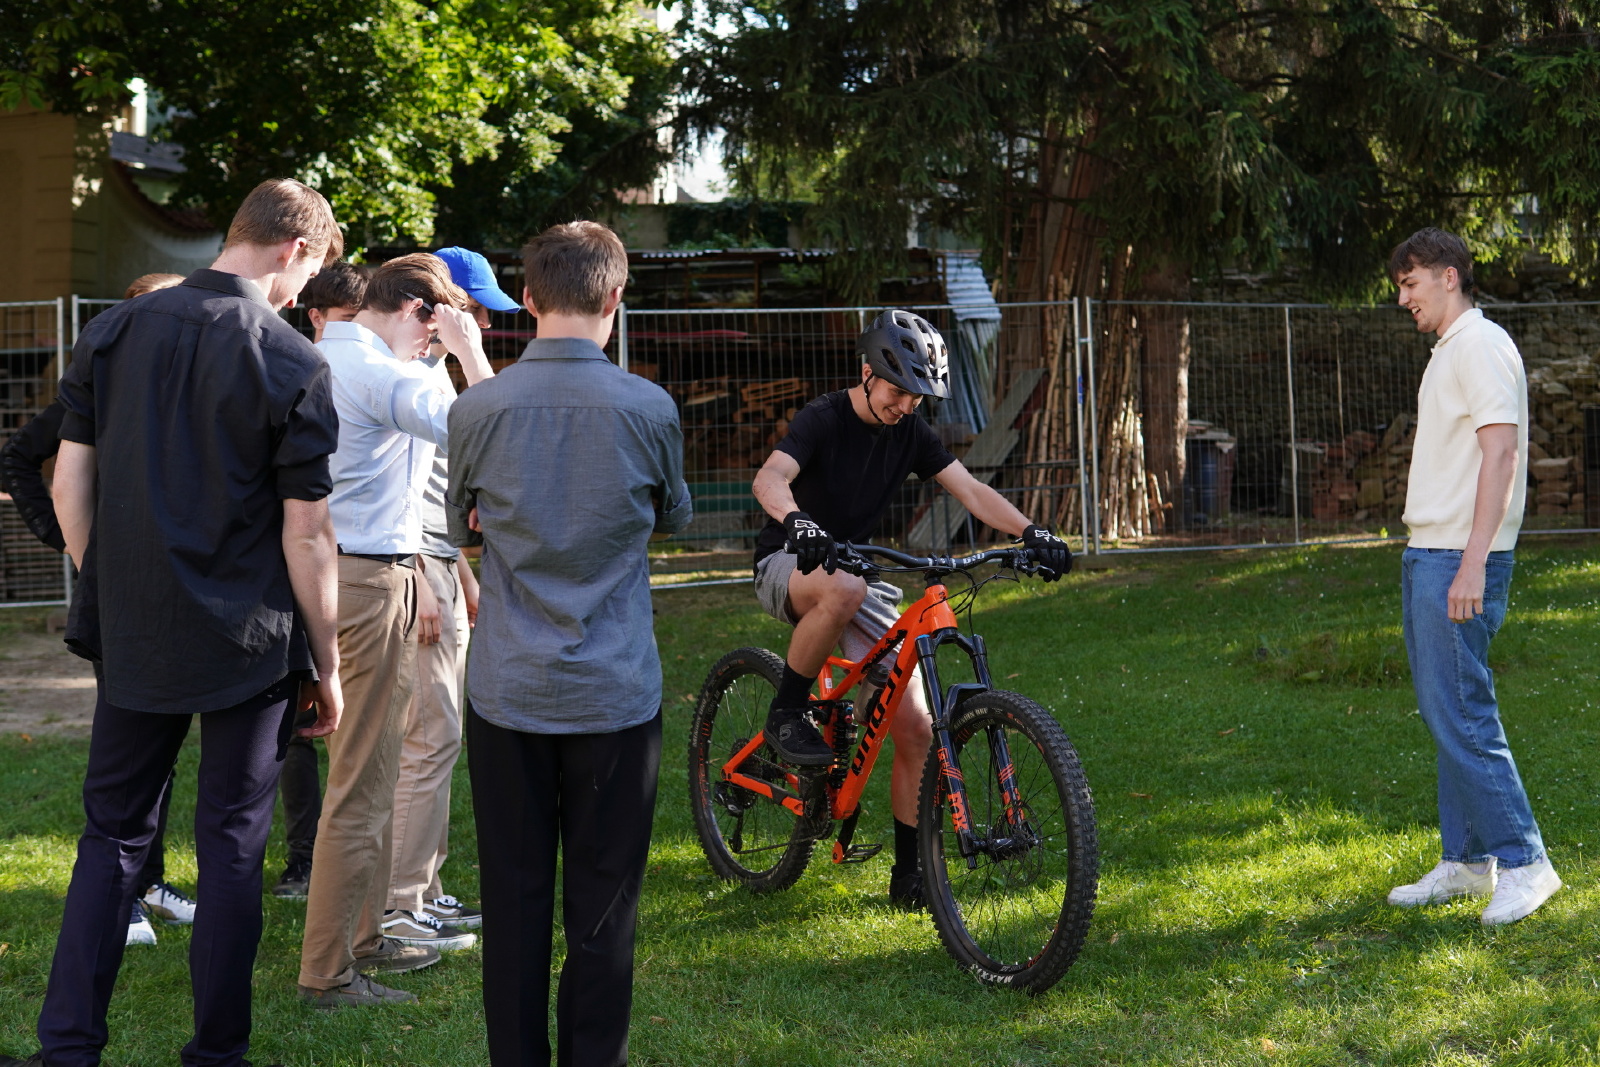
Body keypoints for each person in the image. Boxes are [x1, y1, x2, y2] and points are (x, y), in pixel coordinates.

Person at [0, 177, 344, 1067]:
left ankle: (68, 1047)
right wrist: (329, 661)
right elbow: (308, 532)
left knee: (113, 834)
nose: (300, 294)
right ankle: (217, 1053)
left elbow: (67, 484)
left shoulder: (115, 329)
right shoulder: (295, 359)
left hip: (141, 629)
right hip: (252, 639)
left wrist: (111, 584)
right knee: (231, 846)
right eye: (307, 276)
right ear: (294, 248)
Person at [447, 221, 692, 1066]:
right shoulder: (649, 407)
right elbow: (675, 514)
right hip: (614, 691)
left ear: (526, 296)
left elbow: (458, 524)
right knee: (604, 909)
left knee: (514, 903)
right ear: (615, 297)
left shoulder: (476, 407)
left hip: (509, 687)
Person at [750, 309, 1074, 907]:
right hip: (788, 561)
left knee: (919, 730)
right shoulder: (824, 417)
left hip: (853, 572)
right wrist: (798, 521)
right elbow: (770, 478)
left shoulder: (912, 433)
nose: (905, 406)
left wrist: (1032, 532)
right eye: (897, 392)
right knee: (845, 589)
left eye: (917, 397)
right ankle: (787, 711)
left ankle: (909, 876)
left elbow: (972, 490)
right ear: (867, 373)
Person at [297, 252, 495, 1009]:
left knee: (377, 770)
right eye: (434, 332)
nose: (433, 347)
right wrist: (466, 353)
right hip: (367, 577)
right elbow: (493, 428)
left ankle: (366, 936)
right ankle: (329, 971)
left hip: (368, 568)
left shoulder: (343, 358)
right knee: (361, 782)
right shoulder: (379, 372)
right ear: (418, 312)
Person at [0, 271, 195, 947]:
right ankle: (123, 895)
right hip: (117, 592)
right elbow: (21, 460)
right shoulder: (95, 388)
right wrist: (71, 543)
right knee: (124, 751)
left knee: (163, 746)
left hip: (174, 591)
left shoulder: (184, 388)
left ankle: (149, 881)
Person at [1384, 227, 1561, 925]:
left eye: (1411, 283)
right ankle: (1464, 861)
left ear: (1448, 275)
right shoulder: (1451, 350)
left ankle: (1525, 862)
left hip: (1458, 557)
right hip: (1432, 552)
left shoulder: (1480, 345)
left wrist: (1474, 562)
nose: (1404, 298)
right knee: (1446, 711)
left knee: (1462, 712)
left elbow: (1502, 455)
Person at [382, 246, 515, 937]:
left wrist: (459, 571)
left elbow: (434, 492)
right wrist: (422, 577)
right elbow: (398, 493)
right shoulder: (414, 374)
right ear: (441, 309)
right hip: (417, 570)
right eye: (477, 311)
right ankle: (398, 903)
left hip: (438, 564)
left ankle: (423, 889)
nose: (485, 325)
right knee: (428, 740)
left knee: (439, 739)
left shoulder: (430, 371)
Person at [271, 259, 370, 901]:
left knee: (347, 723)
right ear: (316, 317)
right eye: (345, 320)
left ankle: (342, 859)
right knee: (300, 723)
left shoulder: (372, 370)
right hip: (302, 561)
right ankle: (304, 858)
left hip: (352, 561)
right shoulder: (292, 369)